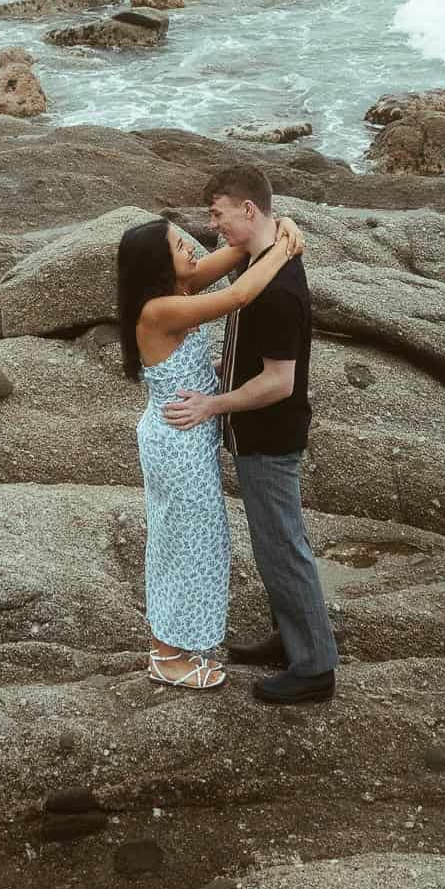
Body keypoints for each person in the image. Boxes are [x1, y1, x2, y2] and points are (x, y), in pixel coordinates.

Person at [163, 165, 338, 706]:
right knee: (271, 544)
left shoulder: (277, 288)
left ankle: (314, 665)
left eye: (219, 214)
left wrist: (212, 404)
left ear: (249, 210)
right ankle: (290, 637)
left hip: (271, 433)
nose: (214, 228)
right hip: (254, 432)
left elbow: (279, 382)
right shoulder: (263, 261)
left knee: (284, 546)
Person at [116, 212, 305, 691]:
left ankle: (172, 646)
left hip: (183, 436)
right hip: (178, 443)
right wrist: (284, 248)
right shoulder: (159, 309)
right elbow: (240, 294)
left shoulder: (176, 289)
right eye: (181, 246)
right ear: (160, 266)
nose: (193, 250)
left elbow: (237, 251)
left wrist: (277, 223)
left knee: (183, 544)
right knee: (189, 547)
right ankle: (168, 656)